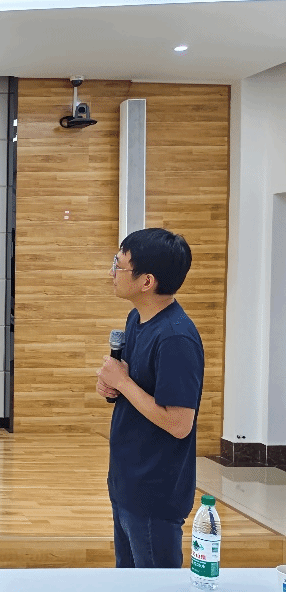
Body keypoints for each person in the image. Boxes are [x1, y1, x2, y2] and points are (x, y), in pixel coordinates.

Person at [96, 227, 205, 569]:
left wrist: (124, 382)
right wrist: (114, 387)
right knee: (130, 588)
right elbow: (137, 387)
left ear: (146, 281)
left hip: (154, 491)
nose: (111, 272)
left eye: (119, 265)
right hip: (127, 481)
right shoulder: (137, 319)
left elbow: (179, 423)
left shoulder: (175, 339)